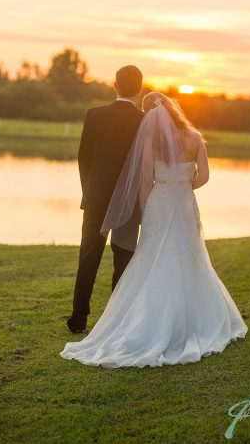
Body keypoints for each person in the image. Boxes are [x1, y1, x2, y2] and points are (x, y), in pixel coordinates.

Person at [60, 92, 247, 367]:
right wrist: (184, 187)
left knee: (152, 260)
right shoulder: (195, 137)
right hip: (183, 203)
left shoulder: (151, 141)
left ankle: (143, 318)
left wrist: (150, 208)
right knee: (190, 256)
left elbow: (146, 181)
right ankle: (195, 319)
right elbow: (205, 176)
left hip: (159, 203)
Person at [67, 65, 144, 333]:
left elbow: (83, 157)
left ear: (115, 85)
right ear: (140, 88)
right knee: (122, 259)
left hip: (96, 199)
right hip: (128, 200)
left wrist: (89, 190)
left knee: (88, 257)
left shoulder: (94, 115)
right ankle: (116, 321)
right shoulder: (144, 120)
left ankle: (78, 319)